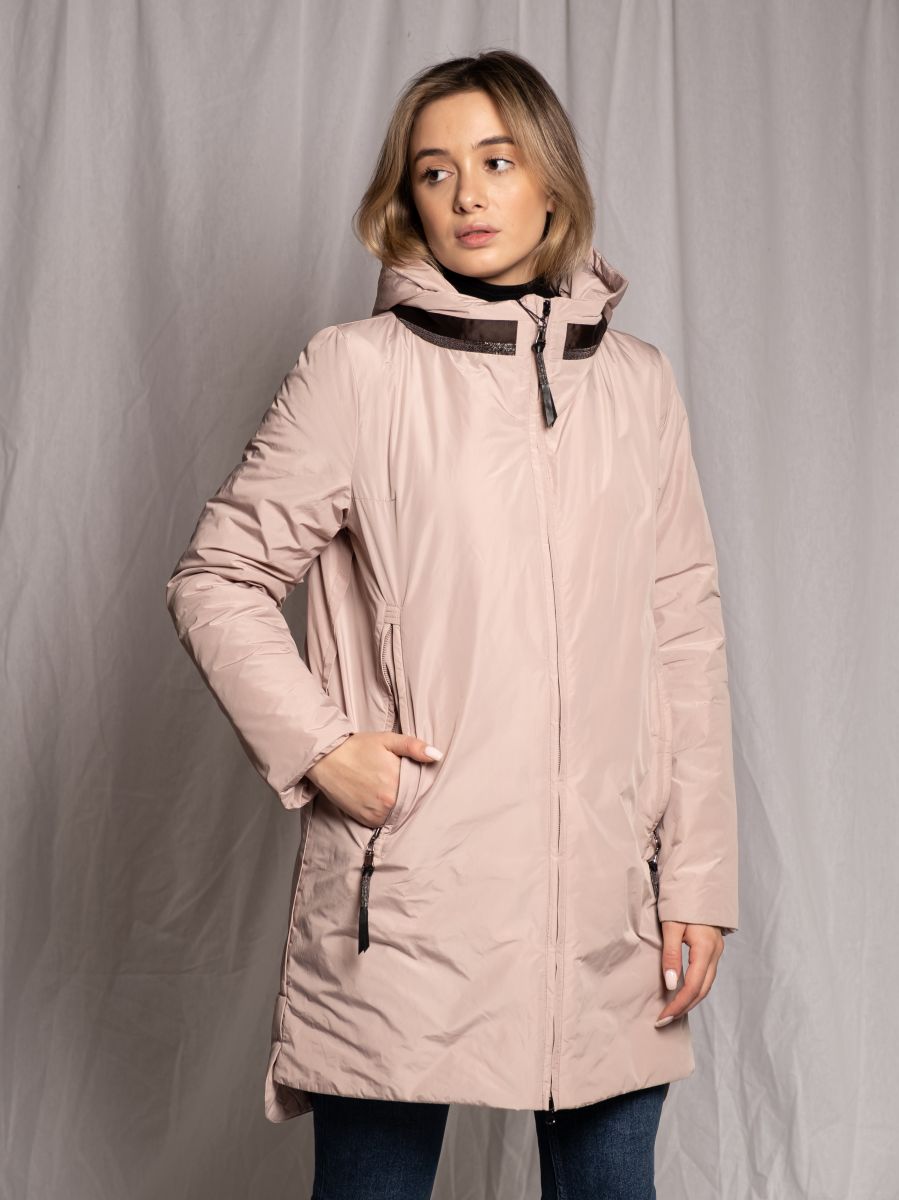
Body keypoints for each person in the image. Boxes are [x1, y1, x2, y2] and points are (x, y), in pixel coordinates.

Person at [165, 48, 739, 1200]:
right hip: (407, 897)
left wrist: (696, 883)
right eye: (434, 171)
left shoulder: (637, 385)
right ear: (407, 199)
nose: (466, 194)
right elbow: (216, 576)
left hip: (604, 903)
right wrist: (323, 749)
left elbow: (682, 632)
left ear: (551, 180)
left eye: (496, 160)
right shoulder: (355, 373)